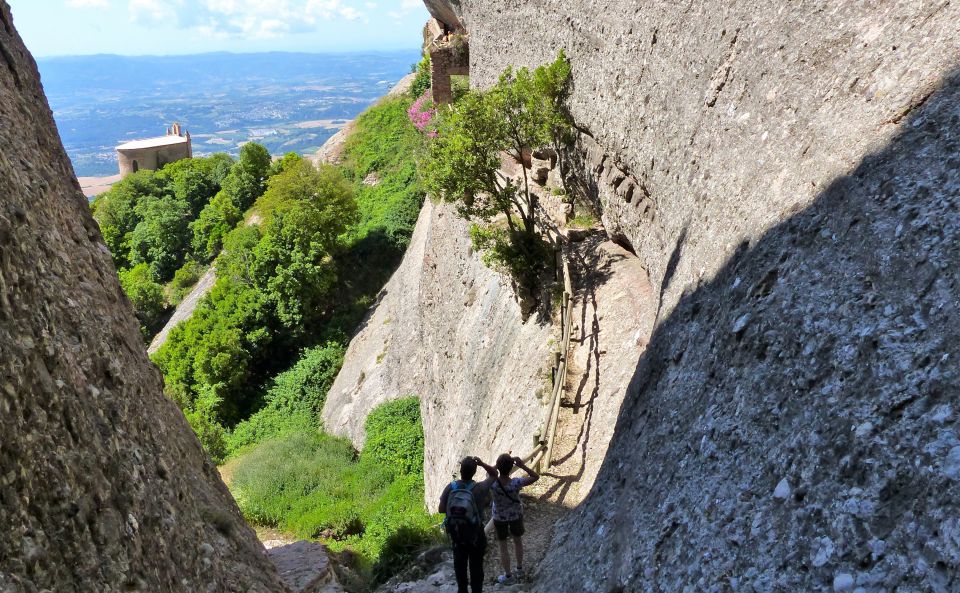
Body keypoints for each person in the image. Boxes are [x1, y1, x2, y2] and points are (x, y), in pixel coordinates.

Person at [438, 456, 498, 593]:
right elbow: (495, 474)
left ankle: (462, 590)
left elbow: (441, 509)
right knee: (476, 567)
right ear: (474, 472)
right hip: (476, 534)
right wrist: (482, 463)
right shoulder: (480, 488)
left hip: (457, 534)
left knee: (460, 566)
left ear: (460, 470)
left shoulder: (451, 487)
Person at [490, 453, 539, 584]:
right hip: (515, 516)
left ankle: (508, 576)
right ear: (512, 467)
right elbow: (535, 476)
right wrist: (522, 465)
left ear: (498, 467)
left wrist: (498, 465)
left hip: (499, 518)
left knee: (503, 546)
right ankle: (520, 569)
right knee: (518, 542)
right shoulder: (516, 482)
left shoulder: (493, 483)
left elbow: (492, 471)